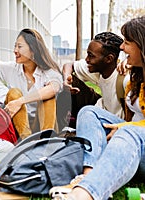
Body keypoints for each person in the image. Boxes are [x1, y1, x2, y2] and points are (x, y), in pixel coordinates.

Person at [50, 16, 145, 200]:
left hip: (137, 142)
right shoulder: (135, 74)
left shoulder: (125, 75)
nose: (122, 48)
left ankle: (84, 194)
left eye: (127, 43)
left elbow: (129, 127)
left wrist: (124, 128)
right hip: (130, 144)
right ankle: (86, 175)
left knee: (128, 132)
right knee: (89, 111)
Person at [0, 28, 63, 139]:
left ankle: (45, 141)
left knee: (48, 97)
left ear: (33, 50)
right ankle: (26, 142)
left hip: (42, 127)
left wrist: (20, 101)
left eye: (20, 47)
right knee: (13, 93)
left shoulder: (49, 72)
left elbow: (53, 88)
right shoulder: (11, 68)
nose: (15, 50)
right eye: (15, 46)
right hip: (19, 128)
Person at [59, 32, 125, 129]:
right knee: (66, 84)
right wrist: (66, 80)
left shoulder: (123, 77)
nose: (87, 59)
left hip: (116, 124)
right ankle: (61, 131)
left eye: (91, 56)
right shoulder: (98, 69)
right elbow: (69, 65)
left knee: (87, 113)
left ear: (109, 59)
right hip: (98, 111)